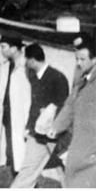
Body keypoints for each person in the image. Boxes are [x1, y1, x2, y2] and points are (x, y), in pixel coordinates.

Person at [11, 43, 70, 188]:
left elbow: (64, 106)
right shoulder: (35, 77)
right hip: (38, 134)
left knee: (64, 166)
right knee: (31, 169)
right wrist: (29, 127)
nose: (25, 63)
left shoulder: (57, 77)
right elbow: (34, 105)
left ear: (32, 60)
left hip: (53, 133)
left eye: (26, 59)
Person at [48, 36, 96, 188]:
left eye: (82, 59)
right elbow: (70, 105)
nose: (78, 63)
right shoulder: (81, 80)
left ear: (94, 59)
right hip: (80, 145)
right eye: (76, 59)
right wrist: (56, 126)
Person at [0, 34, 30, 183]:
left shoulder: (26, 66)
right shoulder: (5, 66)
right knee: (9, 157)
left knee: (22, 160)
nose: (1, 50)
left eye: (4, 47)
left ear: (14, 48)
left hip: (20, 119)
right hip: (6, 118)